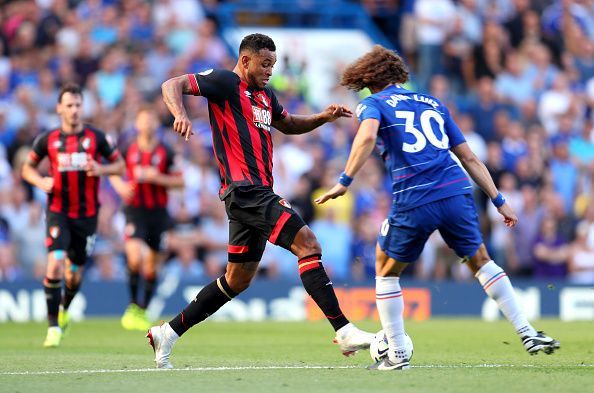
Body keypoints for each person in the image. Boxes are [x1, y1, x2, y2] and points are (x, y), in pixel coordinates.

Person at [315, 45, 560, 371]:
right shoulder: (433, 102)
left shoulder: (372, 104)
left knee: (385, 270)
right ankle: (527, 332)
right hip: (456, 190)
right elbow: (469, 157)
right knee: (481, 261)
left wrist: (345, 179)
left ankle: (397, 353)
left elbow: (367, 137)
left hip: (415, 195)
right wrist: (499, 200)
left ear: (369, 78)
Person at [147, 33, 373, 369]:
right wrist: (180, 114)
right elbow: (172, 84)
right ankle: (343, 330)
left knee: (237, 280)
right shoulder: (224, 81)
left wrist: (322, 117)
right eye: (264, 64)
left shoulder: (265, 95)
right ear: (246, 60)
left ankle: (168, 332)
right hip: (246, 191)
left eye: (273, 65)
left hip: (252, 195)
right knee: (308, 244)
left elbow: (290, 125)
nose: (269, 70)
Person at [22, 82, 125, 347]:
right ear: (59, 108)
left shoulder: (96, 137)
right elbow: (27, 169)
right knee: (55, 262)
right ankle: (53, 326)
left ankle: (66, 309)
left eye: (78, 105)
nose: (74, 110)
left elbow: (120, 165)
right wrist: (41, 182)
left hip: (87, 215)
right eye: (69, 105)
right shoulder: (49, 140)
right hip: (58, 211)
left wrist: (100, 170)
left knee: (74, 273)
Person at [110, 107, 184, 331]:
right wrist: (121, 186)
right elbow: (113, 169)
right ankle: (133, 306)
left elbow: (180, 182)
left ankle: (143, 308)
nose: (147, 125)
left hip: (158, 214)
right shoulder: (127, 148)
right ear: (137, 124)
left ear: (156, 125)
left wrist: (157, 177)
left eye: (151, 120)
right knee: (134, 258)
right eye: (143, 121)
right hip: (135, 211)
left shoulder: (166, 151)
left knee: (151, 266)